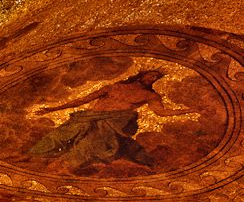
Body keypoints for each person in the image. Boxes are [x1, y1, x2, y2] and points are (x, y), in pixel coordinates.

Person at [29, 70, 188, 173]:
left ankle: (59, 167)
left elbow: (161, 112)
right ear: (142, 74)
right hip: (89, 117)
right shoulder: (113, 87)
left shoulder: (150, 96)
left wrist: (187, 110)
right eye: (152, 75)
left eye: (156, 78)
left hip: (112, 124)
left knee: (89, 146)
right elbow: (83, 100)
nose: (153, 79)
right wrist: (53, 109)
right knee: (58, 136)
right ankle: (33, 157)